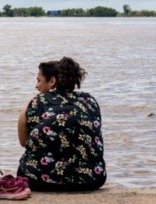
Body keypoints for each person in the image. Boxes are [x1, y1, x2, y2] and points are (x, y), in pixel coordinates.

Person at [17, 57, 106, 191]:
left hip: (40, 180)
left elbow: (24, 142)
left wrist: (24, 111)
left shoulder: (37, 102)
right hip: (92, 179)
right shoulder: (89, 101)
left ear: (52, 81)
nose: (36, 86)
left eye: (39, 80)